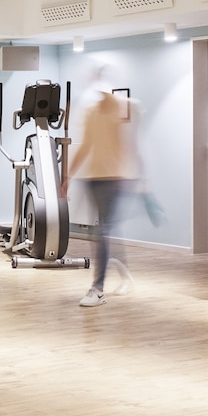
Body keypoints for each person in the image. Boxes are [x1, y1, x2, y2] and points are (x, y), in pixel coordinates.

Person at [64, 76, 137, 307]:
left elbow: (126, 146)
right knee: (105, 230)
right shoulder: (91, 113)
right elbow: (86, 146)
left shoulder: (119, 111)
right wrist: (67, 177)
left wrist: (130, 177)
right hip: (93, 178)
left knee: (103, 231)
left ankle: (98, 289)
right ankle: (123, 275)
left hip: (112, 179)